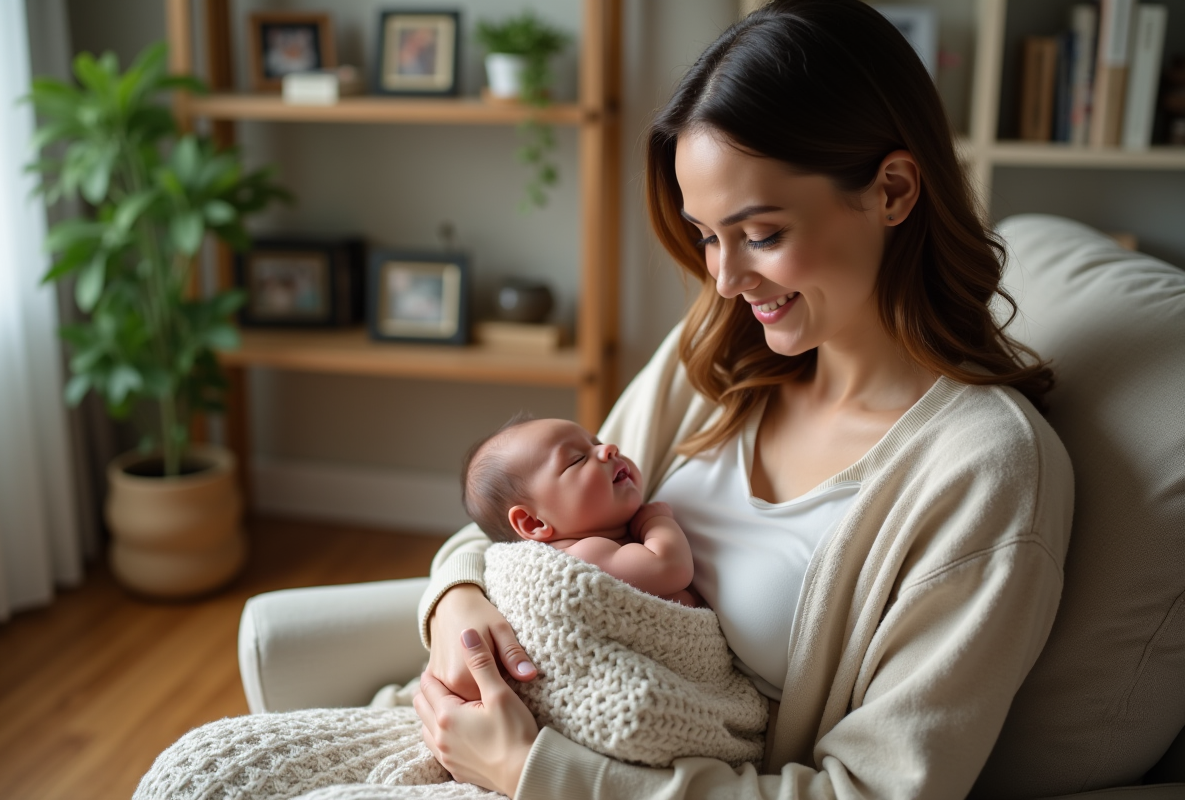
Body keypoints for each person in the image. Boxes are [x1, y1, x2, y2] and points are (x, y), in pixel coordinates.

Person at [413, 1, 1074, 799]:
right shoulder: (720, 354)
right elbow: (531, 518)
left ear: (894, 190)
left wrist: (534, 772)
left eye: (760, 234)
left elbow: (871, 789)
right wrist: (457, 607)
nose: (725, 280)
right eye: (705, 235)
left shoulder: (984, 470)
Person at [462, 413, 701, 607]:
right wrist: (656, 520)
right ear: (534, 522)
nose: (609, 448)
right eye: (577, 459)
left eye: (597, 442)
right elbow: (672, 568)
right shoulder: (582, 554)